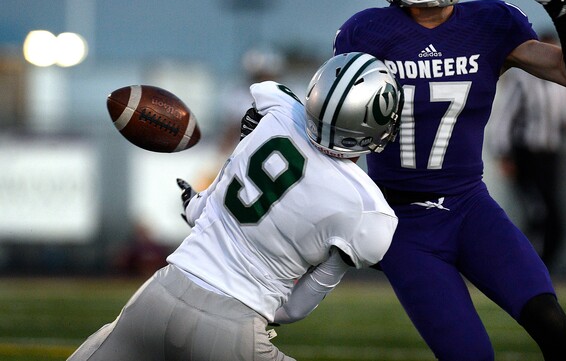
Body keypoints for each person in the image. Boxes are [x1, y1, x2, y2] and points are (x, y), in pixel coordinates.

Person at [333, 0, 566, 361]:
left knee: (551, 322)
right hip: (402, 223)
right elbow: (338, 135)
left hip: (471, 206)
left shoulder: (490, 22)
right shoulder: (367, 33)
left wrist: (560, 11)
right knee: (470, 355)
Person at [67, 52, 403, 361]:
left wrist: (197, 206)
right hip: (231, 327)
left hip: (156, 296)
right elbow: (294, 310)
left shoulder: (279, 109)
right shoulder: (367, 208)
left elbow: (216, 203)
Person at [488, 31, 566, 270]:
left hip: (552, 153)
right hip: (526, 154)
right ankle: (521, 263)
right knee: (535, 212)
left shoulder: (564, 84)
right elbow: (504, 117)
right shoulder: (523, 80)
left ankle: (542, 266)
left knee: (555, 216)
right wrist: (503, 154)